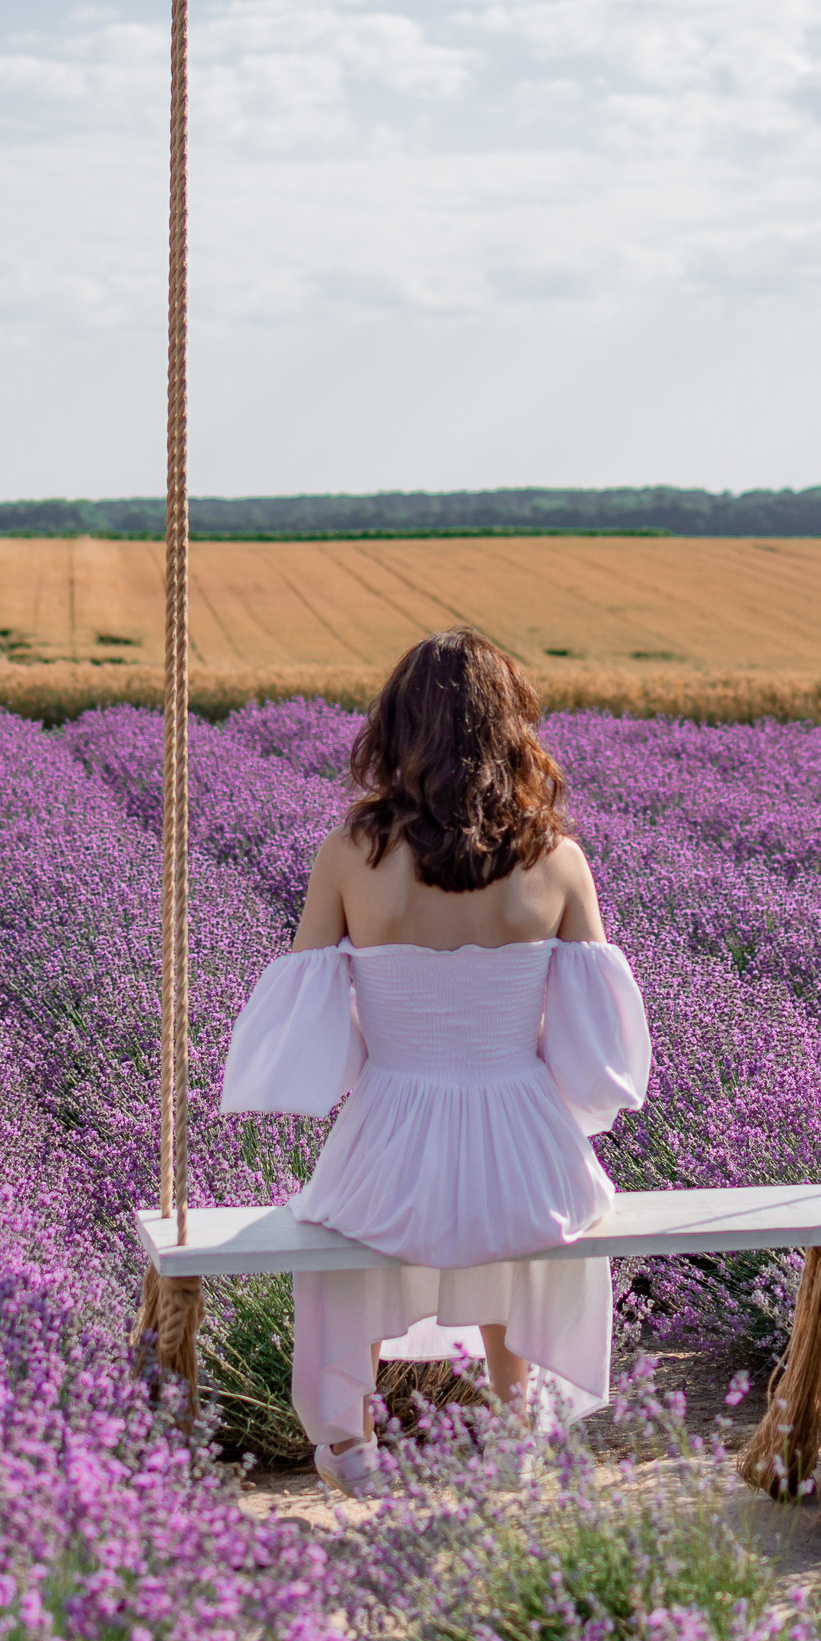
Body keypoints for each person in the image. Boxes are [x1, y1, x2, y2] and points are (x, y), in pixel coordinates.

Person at [218, 628, 652, 1494]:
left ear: (397, 729)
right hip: (528, 1138)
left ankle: (345, 1442)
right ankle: (518, 1423)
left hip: (390, 1131)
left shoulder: (353, 853)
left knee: (345, 1241)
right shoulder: (556, 858)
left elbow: (306, 1001)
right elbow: (595, 1035)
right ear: (510, 728)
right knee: (523, 1228)